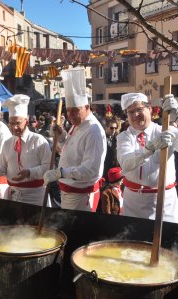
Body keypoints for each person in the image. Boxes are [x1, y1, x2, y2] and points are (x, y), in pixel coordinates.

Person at [116, 93, 178, 224]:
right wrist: (149, 149)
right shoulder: (124, 137)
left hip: (164, 203)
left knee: (169, 241)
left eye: (139, 109)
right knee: (134, 241)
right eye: (130, 112)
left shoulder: (166, 130)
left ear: (149, 109)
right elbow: (126, 164)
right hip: (133, 204)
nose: (135, 115)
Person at [43, 67, 106, 211]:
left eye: (75, 110)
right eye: (68, 110)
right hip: (68, 191)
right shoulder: (77, 125)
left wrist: (62, 172)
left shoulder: (93, 130)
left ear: (87, 107)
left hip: (81, 196)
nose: (70, 115)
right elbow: (69, 150)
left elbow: (91, 170)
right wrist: (62, 137)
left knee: (78, 232)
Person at [0, 94, 51, 205]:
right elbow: (3, 167)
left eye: (18, 123)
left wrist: (29, 172)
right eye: (11, 123)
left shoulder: (38, 140)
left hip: (35, 196)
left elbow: (49, 167)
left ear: (26, 121)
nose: (14, 127)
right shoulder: (8, 143)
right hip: (13, 195)